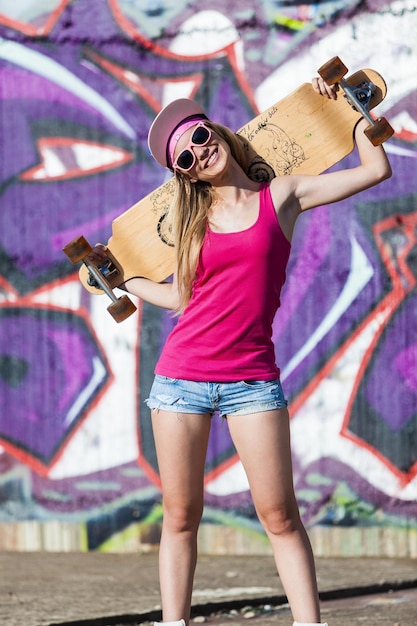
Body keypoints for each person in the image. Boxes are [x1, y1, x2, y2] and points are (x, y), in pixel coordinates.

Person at [89, 77, 391, 626]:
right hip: (179, 380)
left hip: (252, 379)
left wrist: (352, 108)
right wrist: (124, 281)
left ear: (215, 130)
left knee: (279, 516)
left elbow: (374, 171)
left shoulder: (283, 196)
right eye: (187, 157)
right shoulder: (188, 220)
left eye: (200, 136)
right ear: (183, 173)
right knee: (180, 516)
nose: (201, 152)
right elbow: (182, 295)